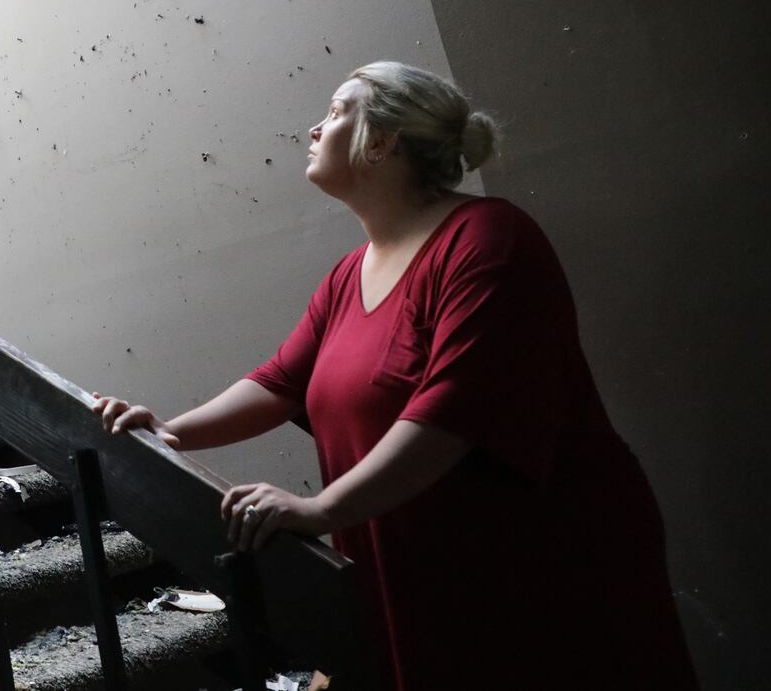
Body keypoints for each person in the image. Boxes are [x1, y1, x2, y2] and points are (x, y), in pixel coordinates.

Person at [91, 61, 696, 690]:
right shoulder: (348, 275)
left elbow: (451, 412)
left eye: (335, 111)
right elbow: (280, 381)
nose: (314, 127)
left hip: (527, 565)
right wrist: (170, 433)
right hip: (413, 567)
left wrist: (320, 509)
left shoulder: (489, 239)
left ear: (382, 141)